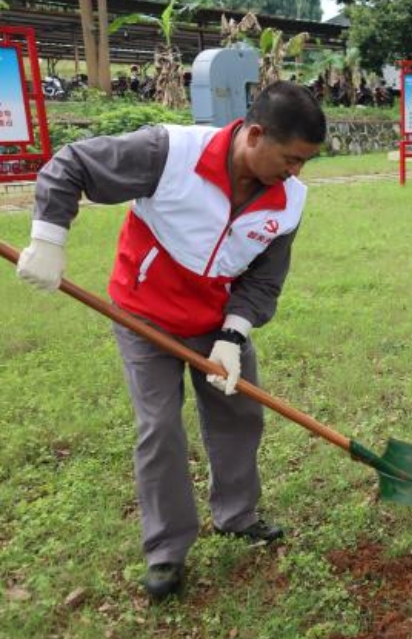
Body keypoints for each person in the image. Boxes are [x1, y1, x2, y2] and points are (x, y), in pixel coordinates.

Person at [14, 81, 327, 600]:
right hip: (146, 314)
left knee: (239, 412)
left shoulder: (289, 201)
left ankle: (237, 514)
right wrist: (48, 240)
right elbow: (71, 165)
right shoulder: (169, 153)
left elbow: (265, 278)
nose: (296, 172)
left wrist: (233, 334)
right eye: (292, 158)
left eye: (306, 163)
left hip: (216, 320)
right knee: (159, 427)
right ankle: (166, 551)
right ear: (254, 135)